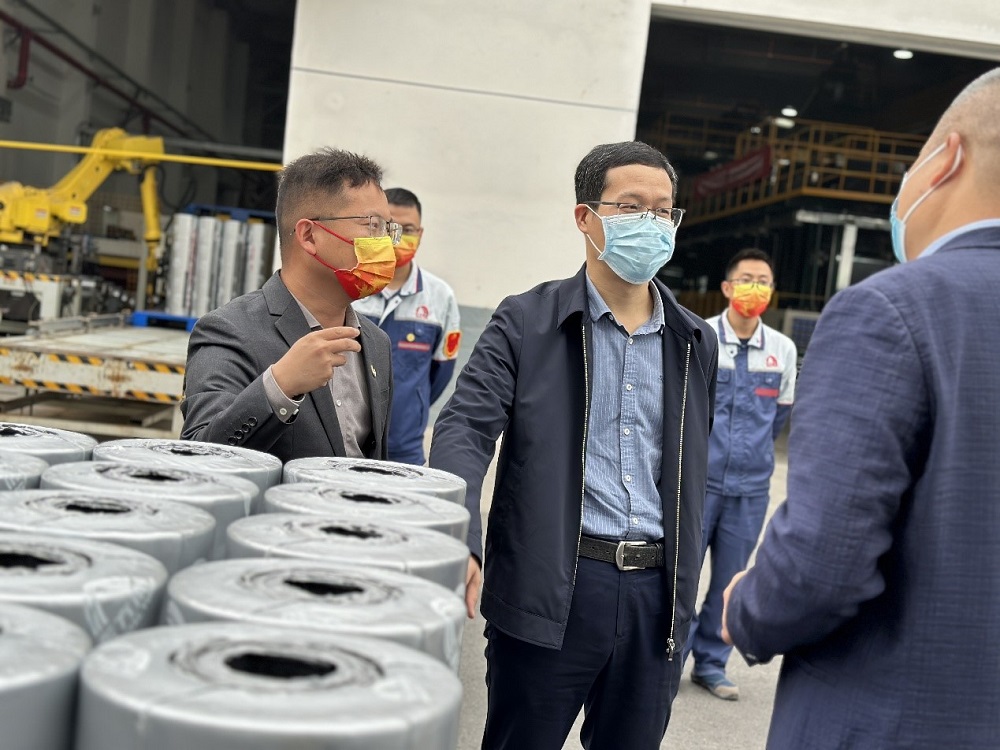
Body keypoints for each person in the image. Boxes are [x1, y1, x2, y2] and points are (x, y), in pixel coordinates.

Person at [721, 68, 1000, 748]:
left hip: (893, 720)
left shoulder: (891, 310)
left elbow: (824, 562)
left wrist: (748, 608)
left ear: (946, 159)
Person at [429, 141, 718, 750]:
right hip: (552, 585)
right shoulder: (527, 321)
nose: (651, 223)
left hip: (655, 597)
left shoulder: (693, 341)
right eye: (631, 207)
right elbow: (465, 428)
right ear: (585, 217)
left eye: (663, 211)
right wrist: (459, 534)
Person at [181, 148, 396, 463]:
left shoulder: (376, 343)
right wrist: (279, 387)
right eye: (372, 226)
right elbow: (200, 455)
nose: (386, 244)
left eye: (388, 229)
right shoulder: (230, 330)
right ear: (309, 236)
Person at [685, 248, 796, 701]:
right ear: (728, 287)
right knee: (680, 576)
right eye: (747, 279)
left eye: (763, 281)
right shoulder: (700, 335)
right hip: (697, 484)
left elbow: (779, 417)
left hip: (749, 491)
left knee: (730, 580)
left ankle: (711, 664)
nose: (755, 288)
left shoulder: (782, 350)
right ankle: (666, 662)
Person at [354, 188, 461, 465]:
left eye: (408, 229)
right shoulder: (351, 287)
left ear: (420, 234)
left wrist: (410, 404)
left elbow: (441, 373)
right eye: (388, 226)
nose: (398, 236)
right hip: (347, 443)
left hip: (404, 450)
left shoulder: (440, 297)